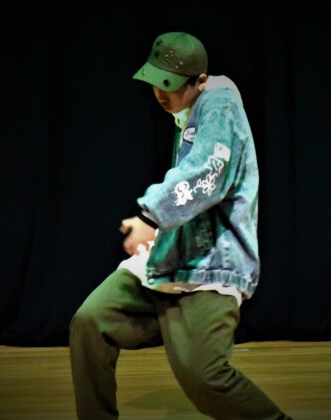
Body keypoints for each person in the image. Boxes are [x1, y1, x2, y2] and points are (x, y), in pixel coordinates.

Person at [69, 31, 292, 420]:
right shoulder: (189, 110)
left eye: (169, 85)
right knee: (90, 322)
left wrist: (151, 216)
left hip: (210, 264)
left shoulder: (219, 104)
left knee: (204, 376)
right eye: (156, 82)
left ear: (199, 81)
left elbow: (208, 171)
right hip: (169, 258)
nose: (160, 93)